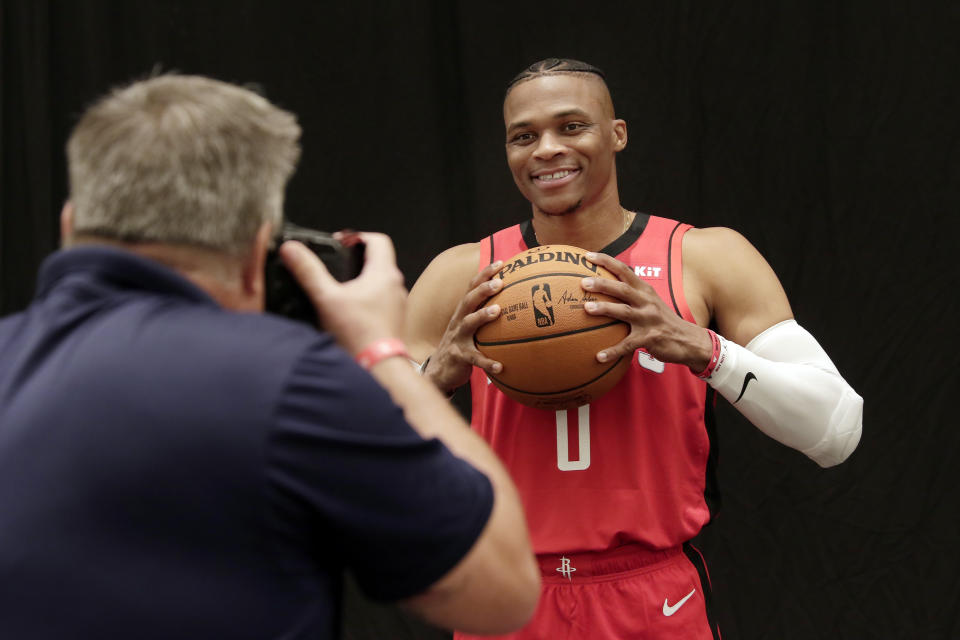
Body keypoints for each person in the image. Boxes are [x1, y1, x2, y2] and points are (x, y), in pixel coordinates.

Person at [0, 74, 540, 640]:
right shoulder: (292, 381)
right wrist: (380, 352)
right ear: (259, 247)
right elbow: (501, 592)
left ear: (69, 223)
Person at [405, 58, 864, 639]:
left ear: (617, 134)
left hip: (651, 595)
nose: (546, 149)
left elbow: (837, 430)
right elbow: (349, 460)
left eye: (571, 126)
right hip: (507, 592)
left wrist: (700, 346)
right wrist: (433, 377)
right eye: (524, 136)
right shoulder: (460, 276)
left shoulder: (704, 259)